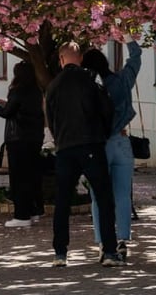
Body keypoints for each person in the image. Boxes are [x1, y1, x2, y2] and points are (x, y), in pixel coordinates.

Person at [45, 42, 120, 267]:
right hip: (91, 143)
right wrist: (102, 133)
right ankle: (109, 251)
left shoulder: (53, 85)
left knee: (62, 200)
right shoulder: (91, 77)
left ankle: (60, 253)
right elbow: (107, 108)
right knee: (104, 197)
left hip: (66, 147)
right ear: (80, 57)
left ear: (61, 59)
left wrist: (59, 141)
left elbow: (50, 117)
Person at [81, 42, 143, 260]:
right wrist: (129, 40)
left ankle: (101, 241)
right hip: (122, 142)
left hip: (99, 144)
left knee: (98, 195)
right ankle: (123, 239)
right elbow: (135, 59)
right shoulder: (121, 81)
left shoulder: (89, 87)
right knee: (123, 195)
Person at [0, 60, 46, 228]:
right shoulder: (36, 91)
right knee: (31, 176)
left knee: (19, 178)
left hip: (18, 139)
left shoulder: (17, 90)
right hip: (34, 139)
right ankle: (33, 211)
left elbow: (7, 113)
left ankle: (22, 215)